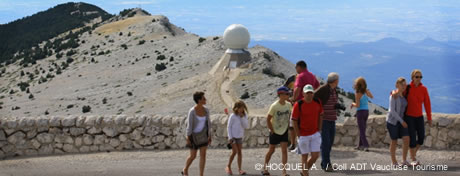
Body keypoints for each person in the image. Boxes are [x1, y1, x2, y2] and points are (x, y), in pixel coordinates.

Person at [292, 84, 324, 176]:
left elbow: (321, 115)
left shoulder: (317, 102)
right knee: (304, 157)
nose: (309, 95)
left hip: (315, 133)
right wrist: (299, 135)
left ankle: (304, 171)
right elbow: (294, 120)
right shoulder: (299, 104)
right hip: (303, 134)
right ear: (303, 94)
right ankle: (305, 173)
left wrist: (319, 129)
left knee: (315, 156)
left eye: (311, 93)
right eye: (307, 93)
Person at [403, 69, 432, 166]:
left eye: (420, 77)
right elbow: (398, 93)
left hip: (419, 116)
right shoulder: (407, 88)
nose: (419, 78)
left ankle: (413, 155)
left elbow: (427, 103)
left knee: (421, 138)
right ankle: (413, 158)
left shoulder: (424, 89)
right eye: (417, 77)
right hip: (409, 116)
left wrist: (429, 117)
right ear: (412, 78)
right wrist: (392, 94)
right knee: (412, 138)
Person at [262, 86, 292, 176]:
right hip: (274, 131)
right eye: (286, 94)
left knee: (284, 151)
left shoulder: (288, 105)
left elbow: (291, 115)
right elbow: (268, 119)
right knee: (271, 150)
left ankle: (284, 172)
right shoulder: (274, 106)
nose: (288, 95)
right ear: (281, 95)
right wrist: (272, 130)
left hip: (284, 131)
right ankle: (265, 168)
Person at [290, 61, 320, 151]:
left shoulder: (300, 76)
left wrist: (293, 99)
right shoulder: (312, 75)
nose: (296, 69)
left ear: (300, 67)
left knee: (293, 125)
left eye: (296, 67)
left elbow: (298, 89)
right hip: (309, 104)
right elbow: (318, 86)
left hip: (299, 103)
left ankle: (294, 144)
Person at [313, 72, 340, 172]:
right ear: (335, 81)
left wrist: (336, 106)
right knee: (325, 142)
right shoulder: (324, 89)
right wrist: (319, 111)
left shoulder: (333, 90)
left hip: (332, 119)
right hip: (324, 120)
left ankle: (325, 162)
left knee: (330, 143)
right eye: (338, 80)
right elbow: (313, 97)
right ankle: (327, 164)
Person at [182, 92, 212, 176]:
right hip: (193, 136)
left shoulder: (206, 110)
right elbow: (189, 125)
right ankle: (185, 169)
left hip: (203, 135)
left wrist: (209, 135)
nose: (205, 99)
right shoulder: (192, 111)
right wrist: (188, 137)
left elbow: (208, 123)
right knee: (193, 156)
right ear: (199, 100)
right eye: (203, 98)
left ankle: (201, 174)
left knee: (203, 155)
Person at [387, 77, 410, 166]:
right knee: (394, 141)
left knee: (406, 139)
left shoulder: (404, 95)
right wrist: (402, 121)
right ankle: (394, 162)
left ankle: (404, 160)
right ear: (397, 85)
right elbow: (392, 111)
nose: (404, 86)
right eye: (402, 84)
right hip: (393, 122)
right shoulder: (393, 96)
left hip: (401, 121)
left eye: (405, 85)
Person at [226, 100, 250, 175]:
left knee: (239, 152)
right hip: (233, 137)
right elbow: (229, 127)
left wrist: (242, 117)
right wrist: (230, 137)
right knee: (235, 152)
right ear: (236, 108)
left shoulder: (244, 115)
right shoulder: (232, 116)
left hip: (239, 136)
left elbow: (246, 126)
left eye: (243, 108)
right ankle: (228, 166)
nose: (241, 110)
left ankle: (240, 169)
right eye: (240, 108)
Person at [350, 77, 374, 152]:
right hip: (366, 111)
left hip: (360, 112)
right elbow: (372, 97)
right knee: (363, 128)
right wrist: (367, 91)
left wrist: (352, 104)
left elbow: (357, 105)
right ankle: (359, 145)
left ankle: (365, 145)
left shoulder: (357, 93)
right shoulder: (366, 91)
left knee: (361, 129)